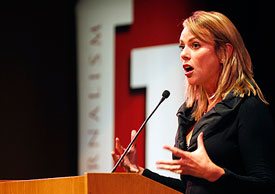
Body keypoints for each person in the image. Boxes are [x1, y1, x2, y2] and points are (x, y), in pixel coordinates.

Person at [111, 11, 275, 194]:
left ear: (224, 53)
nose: (184, 55)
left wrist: (216, 174)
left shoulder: (247, 108)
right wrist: (139, 172)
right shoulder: (189, 114)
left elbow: (266, 187)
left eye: (195, 45)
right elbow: (192, 188)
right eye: (182, 47)